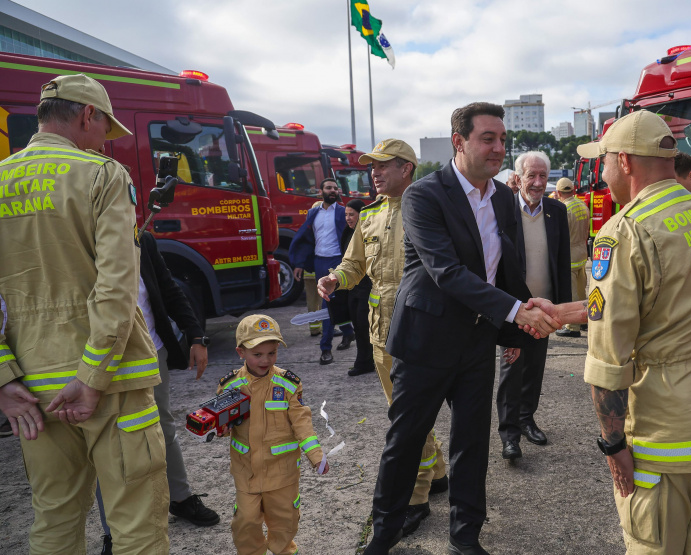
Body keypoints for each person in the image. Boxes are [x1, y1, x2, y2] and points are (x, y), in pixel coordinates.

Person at [526, 111, 691, 554]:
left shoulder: (625, 231)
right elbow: (667, 309)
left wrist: (612, 445)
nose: (603, 171)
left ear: (627, 162)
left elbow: (607, 360)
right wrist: (563, 310)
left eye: (605, 160)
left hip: (668, 441)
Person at [363, 102, 560, 555]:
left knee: (472, 443)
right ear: (460, 142)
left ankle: (465, 534)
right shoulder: (424, 195)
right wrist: (514, 312)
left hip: (476, 340)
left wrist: (512, 333)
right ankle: (384, 533)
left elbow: (505, 268)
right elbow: (446, 272)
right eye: (487, 138)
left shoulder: (505, 198)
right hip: (425, 339)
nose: (498, 148)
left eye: (502, 140)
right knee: (406, 440)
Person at [0, 74, 169, 553]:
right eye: (104, 129)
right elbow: (117, 289)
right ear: (87, 115)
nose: (104, 142)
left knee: (53, 523)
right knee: (138, 527)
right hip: (111, 384)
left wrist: (4, 381)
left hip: (32, 392)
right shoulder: (102, 174)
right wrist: (92, 376)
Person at [318, 139, 448, 537]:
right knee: (405, 411)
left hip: (419, 330)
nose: (373, 173)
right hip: (380, 332)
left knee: (406, 417)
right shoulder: (371, 216)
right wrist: (335, 278)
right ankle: (438, 473)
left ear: (406, 168)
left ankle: (416, 497)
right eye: (371, 167)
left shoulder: (427, 207)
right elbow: (353, 264)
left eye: (383, 166)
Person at [94, 231, 218, 554]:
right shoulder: (79, 236)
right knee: (103, 443)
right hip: (100, 361)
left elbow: (169, 290)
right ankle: (113, 531)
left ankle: (180, 498)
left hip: (152, 352)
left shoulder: (141, 240)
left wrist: (196, 335)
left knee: (163, 427)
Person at [218, 314, 328, 555]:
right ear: (241, 352)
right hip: (247, 471)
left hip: (282, 471)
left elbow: (302, 422)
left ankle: (284, 551)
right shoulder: (230, 386)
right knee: (245, 522)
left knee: (285, 521)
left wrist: (316, 455)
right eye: (257, 354)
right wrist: (222, 430)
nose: (265, 360)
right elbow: (223, 423)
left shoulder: (288, 384)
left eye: (272, 353)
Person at [497, 151, 570, 461]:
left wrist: (563, 310)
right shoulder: (503, 211)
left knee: (535, 369)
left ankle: (527, 419)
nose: (538, 182)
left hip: (546, 309)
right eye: (532, 176)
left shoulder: (556, 210)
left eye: (543, 176)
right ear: (518, 178)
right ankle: (509, 434)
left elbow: (562, 261)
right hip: (514, 309)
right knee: (512, 370)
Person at [289, 178, 355, 364]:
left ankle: (325, 348)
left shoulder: (343, 212)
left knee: (329, 303)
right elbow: (307, 239)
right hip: (319, 262)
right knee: (333, 301)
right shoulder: (313, 213)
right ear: (321, 191)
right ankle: (348, 332)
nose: (332, 190)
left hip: (338, 262)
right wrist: (299, 263)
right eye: (328, 187)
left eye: (335, 188)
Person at [554, 177, 590, 338]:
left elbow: (560, 235)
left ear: (558, 192)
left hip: (569, 255)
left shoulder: (563, 209)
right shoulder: (582, 205)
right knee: (582, 289)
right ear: (573, 190)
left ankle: (572, 326)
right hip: (582, 252)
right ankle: (584, 320)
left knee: (571, 292)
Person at [342, 198, 375, 377]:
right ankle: (364, 361)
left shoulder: (367, 233)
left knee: (366, 327)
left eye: (351, 214)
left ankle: (366, 362)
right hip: (352, 290)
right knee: (358, 327)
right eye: (346, 215)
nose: (348, 218)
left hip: (368, 289)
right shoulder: (346, 233)